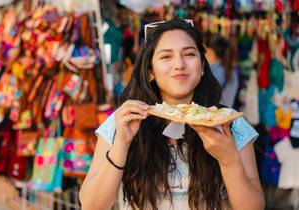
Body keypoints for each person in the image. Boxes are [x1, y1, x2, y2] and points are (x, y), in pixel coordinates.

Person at [79, 19, 264, 210]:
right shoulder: (125, 120)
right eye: (166, 56)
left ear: (201, 65)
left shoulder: (229, 122)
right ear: (150, 70)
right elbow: (91, 205)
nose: (179, 64)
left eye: (189, 54)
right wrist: (121, 144)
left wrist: (229, 160)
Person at [205, 35, 239, 107]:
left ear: (210, 52)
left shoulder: (214, 71)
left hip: (215, 115)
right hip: (225, 114)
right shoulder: (229, 70)